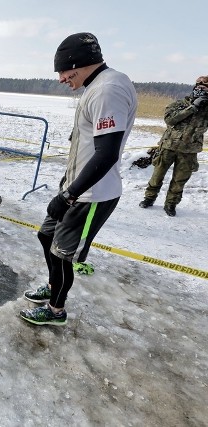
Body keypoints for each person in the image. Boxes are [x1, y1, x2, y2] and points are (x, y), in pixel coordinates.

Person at [21, 32, 137, 326]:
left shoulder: (106, 90)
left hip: (90, 195)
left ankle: (55, 310)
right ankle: (52, 286)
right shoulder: (97, 86)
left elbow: (107, 153)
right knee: (45, 235)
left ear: (79, 63)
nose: (61, 79)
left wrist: (68, 195)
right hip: (76, 188)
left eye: (63, 71)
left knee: (62, 255)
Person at [138, 76, 208, 217]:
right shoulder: (180, 104)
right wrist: (192, 107)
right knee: (157, 175)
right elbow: (170, 119)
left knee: (179, 180)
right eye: (198, 86)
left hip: (189, 150)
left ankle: (171, 204)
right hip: (168, 146)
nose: (200, 88)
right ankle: (149, 198)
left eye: (204, 87)